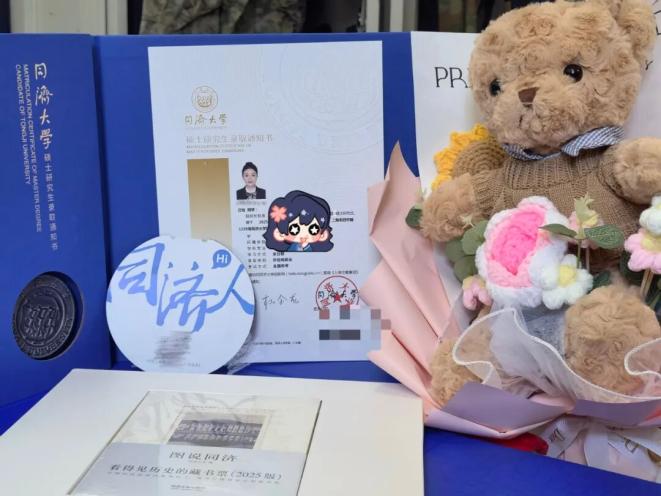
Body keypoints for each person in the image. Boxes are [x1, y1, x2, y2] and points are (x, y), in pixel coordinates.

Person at [263, 191, 334, 253]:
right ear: (279, 233)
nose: (304, 235)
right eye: (294, 229)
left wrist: (305, 246)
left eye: (313, 230)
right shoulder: (292, 247)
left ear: (323, 235)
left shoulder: (311, 248)